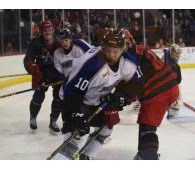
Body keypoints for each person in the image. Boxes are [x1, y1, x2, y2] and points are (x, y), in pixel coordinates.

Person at [52, 29, 143, 160]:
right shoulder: (91, 64)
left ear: (123, 49)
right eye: (108, 50)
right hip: (72, 100)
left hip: (96, 100)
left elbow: (138, 83)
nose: (111, 55)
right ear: (102, 47)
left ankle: (87, 156)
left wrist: (123, 96)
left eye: (116, 51)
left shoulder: (129, 63)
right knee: (74, 140)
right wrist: (77, 114)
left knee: (106, 127)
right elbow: (71, 91)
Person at [119, 29, 180, 160]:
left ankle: (149, 156)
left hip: (159, 91)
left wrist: (124, 97)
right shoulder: (138, 49)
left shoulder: (130, 56)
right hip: (162, 88)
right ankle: (143, 152)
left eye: (122, 43)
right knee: (144, 121)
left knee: (147, 127)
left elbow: (137, 82)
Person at [24, 20, 64, 133]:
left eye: (50, 29)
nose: (48, 32)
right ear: (42, 31)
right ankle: (33, 117)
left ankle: (53, 121)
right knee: (38, 97)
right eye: (45, 30)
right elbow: (28, 58)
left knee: (58, 98)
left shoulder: (59, 41)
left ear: (53, 30)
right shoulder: (36, 42)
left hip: (58, 74)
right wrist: (31, 66)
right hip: (42, 74)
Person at [163, 44, 182, 119]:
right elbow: (178, 80)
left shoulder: (165, 57)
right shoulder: (174, 66)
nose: (178, 56)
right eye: (176, 54)